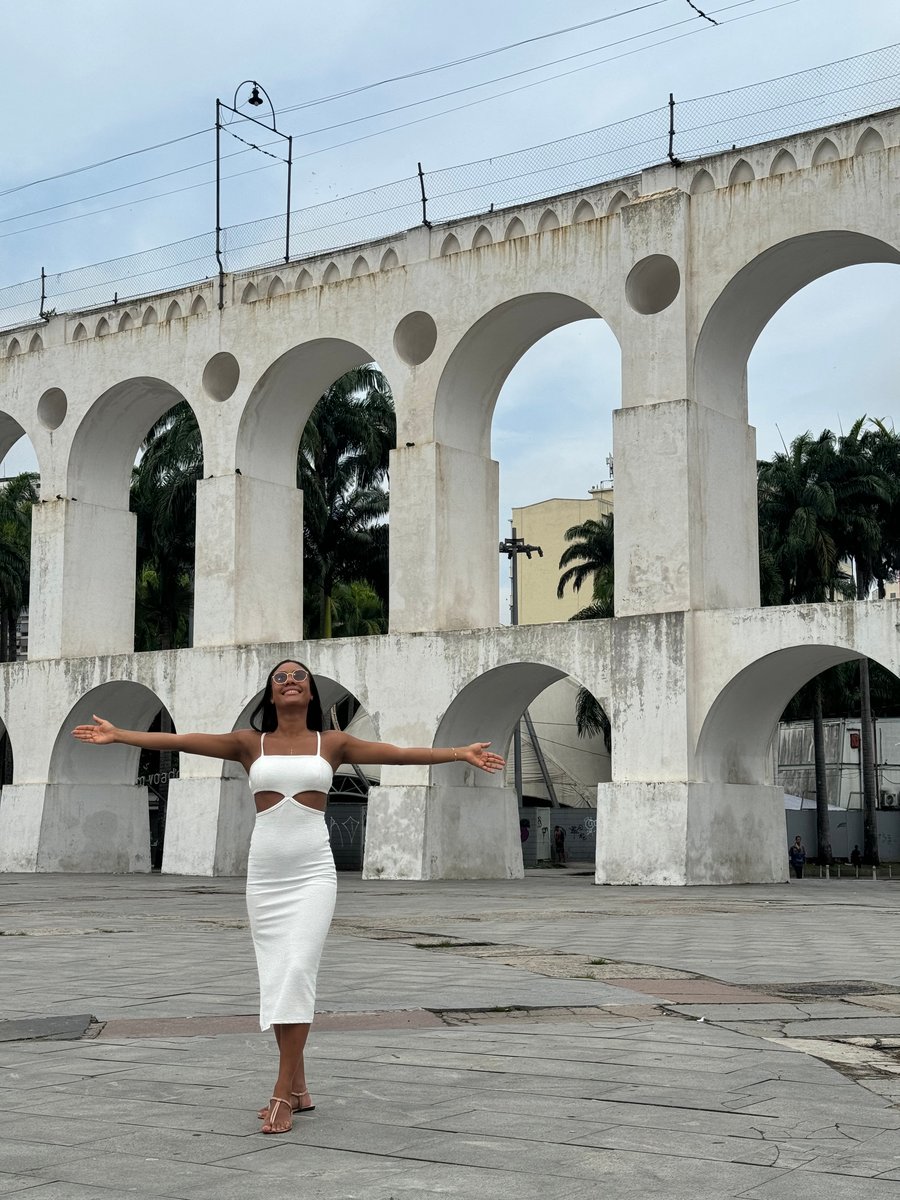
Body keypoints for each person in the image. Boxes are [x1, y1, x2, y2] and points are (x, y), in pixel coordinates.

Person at [73, 659, 504, 1134]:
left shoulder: (332, 743)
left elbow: (398, 753)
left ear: (312, 693)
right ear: (271, 694)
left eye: (299, 676)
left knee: (297, 970)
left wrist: (459, 753)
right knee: (277, 976)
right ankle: (299, 1088)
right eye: (281, 677)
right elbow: (181, 740)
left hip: (313, 873)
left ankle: (280, 1093)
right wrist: (122, 735)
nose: (291, 681)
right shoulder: (248, 744)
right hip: (265, 875)